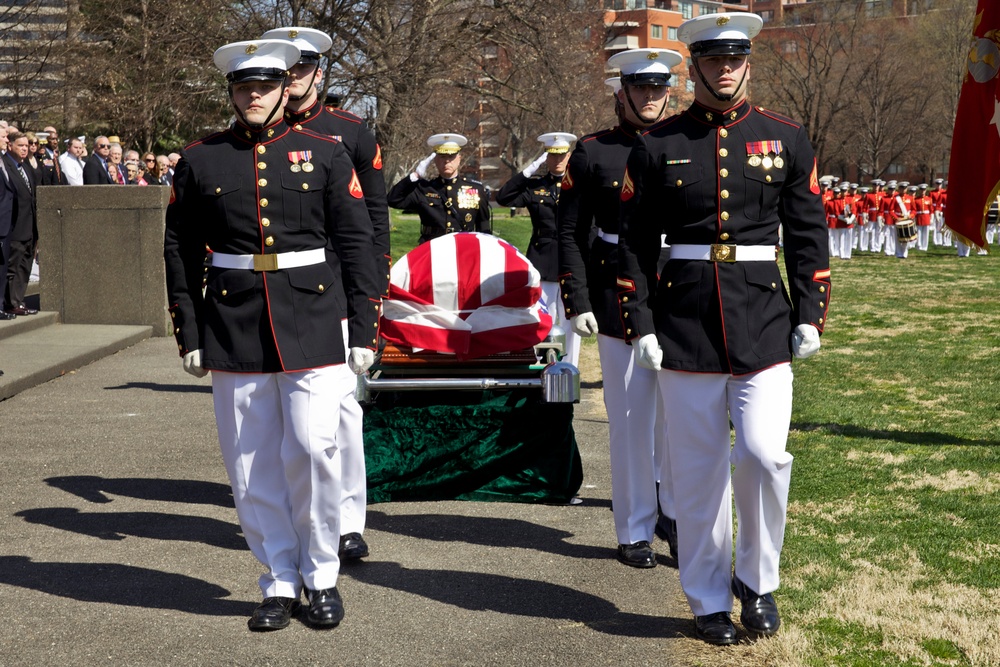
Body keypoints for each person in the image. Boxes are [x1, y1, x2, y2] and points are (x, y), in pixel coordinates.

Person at [617, 12, 830, 645]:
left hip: (763, 318)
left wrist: (811, 312)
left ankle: (759, 583)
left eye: (735, 58)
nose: (726, 68)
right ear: (697, 66)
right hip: (686, 324)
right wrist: (642, 321)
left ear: (748, 62)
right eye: (714, 59)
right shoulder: (657, 145)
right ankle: (708, 597)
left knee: (765, 458)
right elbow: (631, 243)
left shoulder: (785, 137)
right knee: (699, 471)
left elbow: (809, 233)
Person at [163, 38, 381, 632]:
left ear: (287, 87)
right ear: (231, 92)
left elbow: (358, 243)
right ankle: (279, 579)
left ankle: (321, 574)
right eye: (243, 87)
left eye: (265, 85)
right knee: (251, 462)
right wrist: (188, 330)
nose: (253, 95)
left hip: (312, 316)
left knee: (313, 450)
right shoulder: (201, 159)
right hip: (233, 321)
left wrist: (365, 324)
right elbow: (179, 251)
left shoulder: (327, 152)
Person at [262, 25, 392, 562]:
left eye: (300, 69)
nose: (291, 80)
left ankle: (347, 519)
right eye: (283, 70)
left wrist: (372, 293)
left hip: (335, 284)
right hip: (278, 292)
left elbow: (375, 218)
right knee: (284, 416)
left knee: (340, 410)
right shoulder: (256, 134)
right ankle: (301, 515)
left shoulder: (351, 132)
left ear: (318, 72)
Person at [558, 47, 683, 571]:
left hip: (680, 291)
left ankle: (675, 516)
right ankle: (633, 526)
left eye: (659, 89)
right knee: (631, 418)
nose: (650, 98)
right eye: (641, 88)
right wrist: (577, 298)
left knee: (681, 420)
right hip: (616, 293)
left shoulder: (686, 141)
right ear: (621, 93)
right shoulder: (592, 152)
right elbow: (570, 231)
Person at [495, 132, 581, 368]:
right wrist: (529, 169)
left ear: (569, 155)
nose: (557, 160)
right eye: (552, 156)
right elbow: (504, 197)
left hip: (571, 261)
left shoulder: (580, 184)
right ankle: (539, 368)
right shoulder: (535, 186)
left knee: (570, 320)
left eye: (561, 155)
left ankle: (569, 367)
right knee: (542, 319)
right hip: (542, 261)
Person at [387, 133, 491, 244]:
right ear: (435, 160)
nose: (447, 161)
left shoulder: (476, 189)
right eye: (442, 156)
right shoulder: (424, 188)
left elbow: (483, 226)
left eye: (451, 156)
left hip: (463, 248)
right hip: (431, 248)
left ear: (459, 159)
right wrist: (415, 175)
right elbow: (392, 200)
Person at [3, 132, 39, 317]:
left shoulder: (25, 167)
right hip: (15, 227)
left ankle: (18, 301)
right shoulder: (6, 165)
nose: (25, 148)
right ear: (10, 146)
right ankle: (9, 303)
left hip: (29, 227)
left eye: (27, 145)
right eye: (21, 145)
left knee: (25, 266)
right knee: (13, 267)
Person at [0, 126, 15, 321]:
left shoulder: (3, 161)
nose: (6, 139)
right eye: (3, 136)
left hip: (7, 223)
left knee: (3, 268)